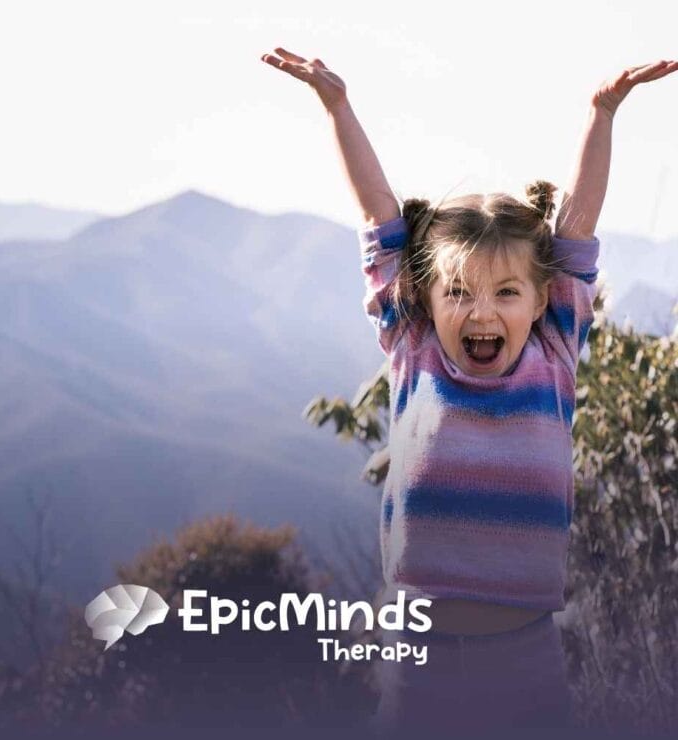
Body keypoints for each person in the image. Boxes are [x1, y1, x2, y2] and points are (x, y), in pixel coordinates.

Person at [260, 48, 678, 736]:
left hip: (527, 654)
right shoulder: (414, 348)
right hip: (416, 654)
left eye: (507, 293)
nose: (482, 314)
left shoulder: (553, 353)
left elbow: (577, 229)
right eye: (459, 293)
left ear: (545, 296)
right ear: (424, 295)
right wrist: (338, 108)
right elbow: (378, 215)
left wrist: (601, 114)